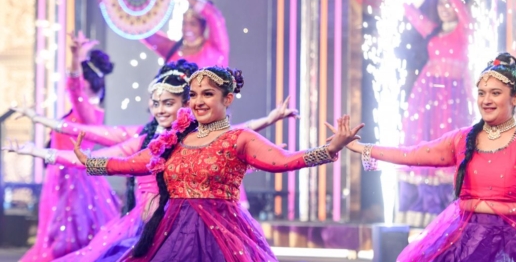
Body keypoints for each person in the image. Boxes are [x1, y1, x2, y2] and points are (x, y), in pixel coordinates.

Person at [7, 61, 298, 261]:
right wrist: (41, 149)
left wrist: (269, 121)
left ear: (186, 104)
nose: (160, 110)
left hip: (189, 218)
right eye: (155, 104)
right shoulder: (146, 139)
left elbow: (233, 134)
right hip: (149, 221)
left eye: (168, 103)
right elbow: (102, 154)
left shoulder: (195, 135)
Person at [72, 66, 362, 262]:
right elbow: (137, 163)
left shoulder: (239, 138)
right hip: (171, 232)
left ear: (228, 99)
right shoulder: (176, 137)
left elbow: (283, 161)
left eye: (207, 94)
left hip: (222, 233)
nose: (198, 101)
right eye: (194, 95)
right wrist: (93, 163)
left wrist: (330, 148)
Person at [334, 53, 516, 261]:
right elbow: (411, 153)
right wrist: (360, 147)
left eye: (495, 93)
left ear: (515, 97)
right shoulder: (463, 139)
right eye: (482, 93)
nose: (486, 100)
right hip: (466, 242)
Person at [15, 31, 119, 262]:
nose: (74, 84)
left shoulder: (88, 114)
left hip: (76, 184)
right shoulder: (79, 113)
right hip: (61, 179)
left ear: (87, 82)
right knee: (56, 236)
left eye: (80, 79)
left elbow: (74, 89)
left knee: (72, 239)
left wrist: (76, 58)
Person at [397, 0, 473, 227]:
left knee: (449, 143)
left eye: (447, 2)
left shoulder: (465, 28)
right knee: (424, 142)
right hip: (426, 97)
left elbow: (460, 6)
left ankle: (446, 207)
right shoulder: (432, 31)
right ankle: (420, 209)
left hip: (451, 99)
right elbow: (412, 13)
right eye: (439, 2)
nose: (443, 6)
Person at [141, 0, 228, 67]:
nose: (187, 28)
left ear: (203, 26)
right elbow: (143, 31)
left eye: (193, 24)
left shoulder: (215, 49)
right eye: (184, 23)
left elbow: (213, 14)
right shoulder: (173, 49)